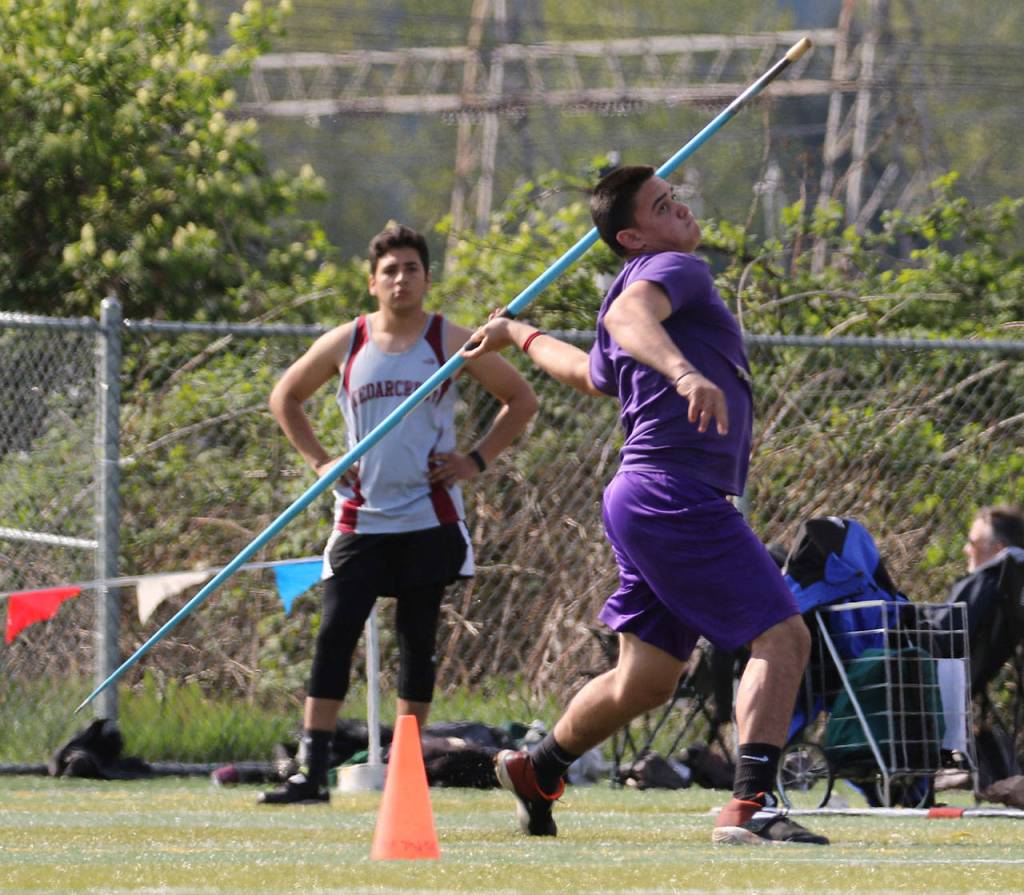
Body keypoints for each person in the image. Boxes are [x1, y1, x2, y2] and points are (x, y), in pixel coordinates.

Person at [463, 165, 827, 845]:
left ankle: (539, 768)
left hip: (643, 495)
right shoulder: (671, 272)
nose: (681, 208)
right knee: (783, 635)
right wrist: (687, 372)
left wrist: (518, 332)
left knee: (647, 679)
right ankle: (751, 805)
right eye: (662, 205)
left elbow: (587, 373)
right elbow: (632, 320)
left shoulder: (630, 293)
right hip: (673, 491)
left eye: (675, 196)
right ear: (632, 235)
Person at [260, 224, 538, 804]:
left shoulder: (451, 340)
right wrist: (319, 463)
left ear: (426, 279)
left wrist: (476, 459)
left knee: (416, 642)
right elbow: (285, 397)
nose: (401, 279)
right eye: (390, 270)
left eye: (412, 268)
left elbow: (521, 399)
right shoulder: (347, 341)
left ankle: (407, 772)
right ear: (372, 282)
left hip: (427, 519)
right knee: (334, 636)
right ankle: (311, 772)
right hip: (360, 519)